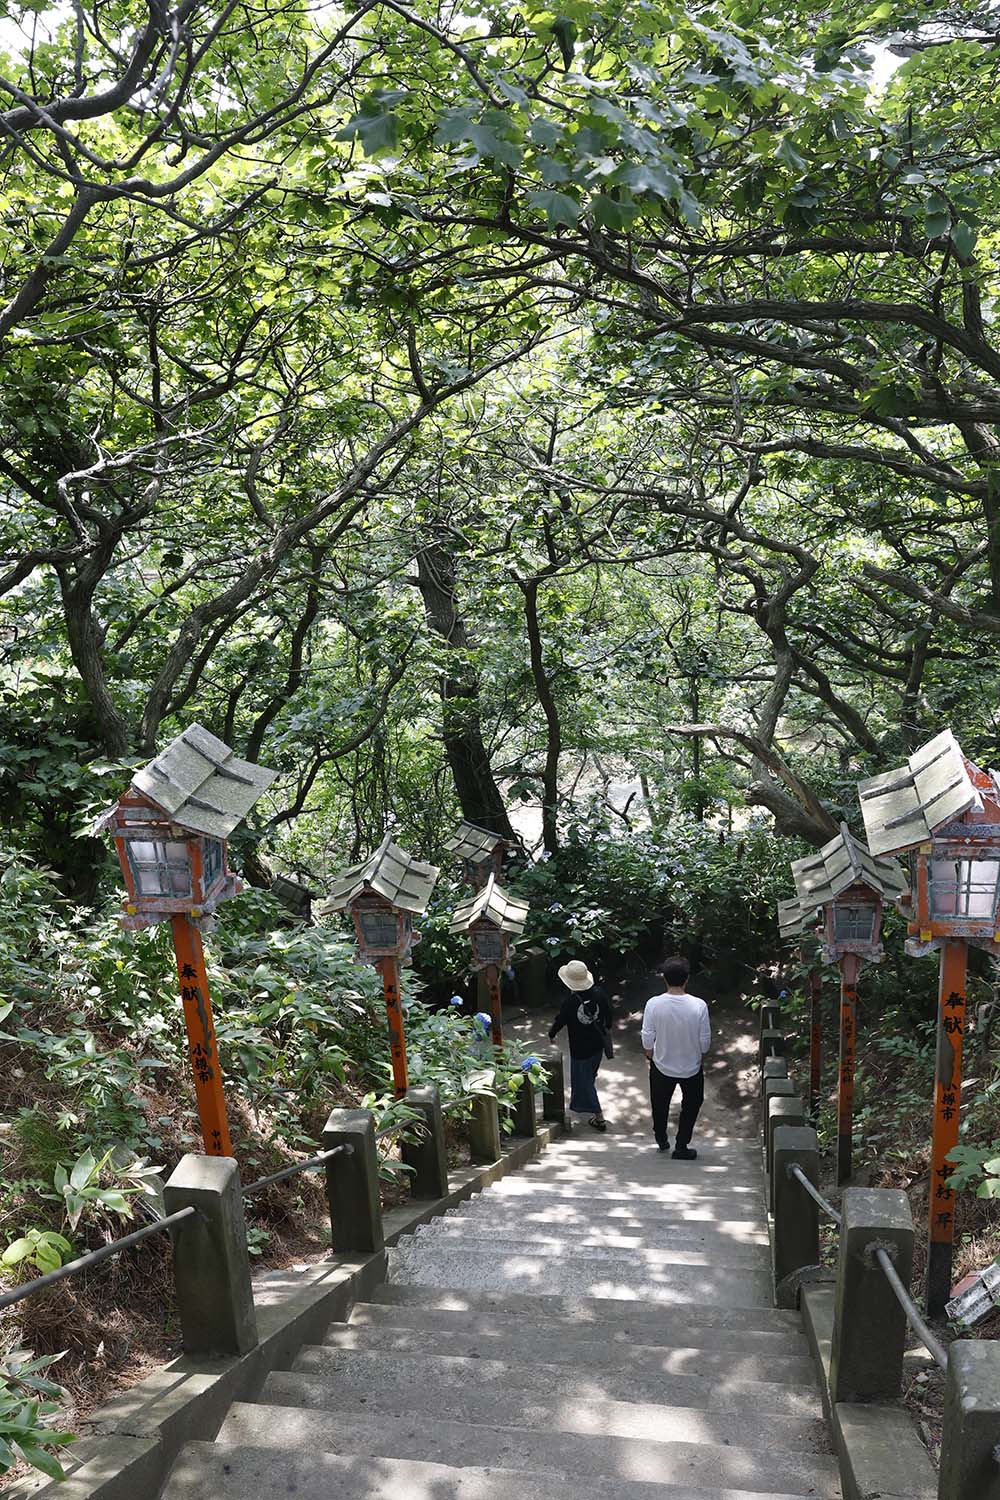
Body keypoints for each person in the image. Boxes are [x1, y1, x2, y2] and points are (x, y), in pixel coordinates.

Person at [641, 955, 710, 1159]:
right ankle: (681, 1145)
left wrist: (650, 1053)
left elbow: (647, 1036)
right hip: (692, 1066)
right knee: (692, 1104)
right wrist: (699, 1054)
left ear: (664, 978)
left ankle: (661, 1138)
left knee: (659, 1103)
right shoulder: (699, 1005)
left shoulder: (653, 1004)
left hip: (661, 1064)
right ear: (687, 979)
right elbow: (705, 1042)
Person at [548, 959, 613, 1132]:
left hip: (580, 1049)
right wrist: (607, 1026)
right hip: (598, 1045)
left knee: (584, 1082)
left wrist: (552, 1034)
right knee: (589, 1076)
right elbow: (608, 1014)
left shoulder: (570, 1002)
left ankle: (599, 1117)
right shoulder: (599, 994)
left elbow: (560, 1020)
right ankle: (588, 1104)